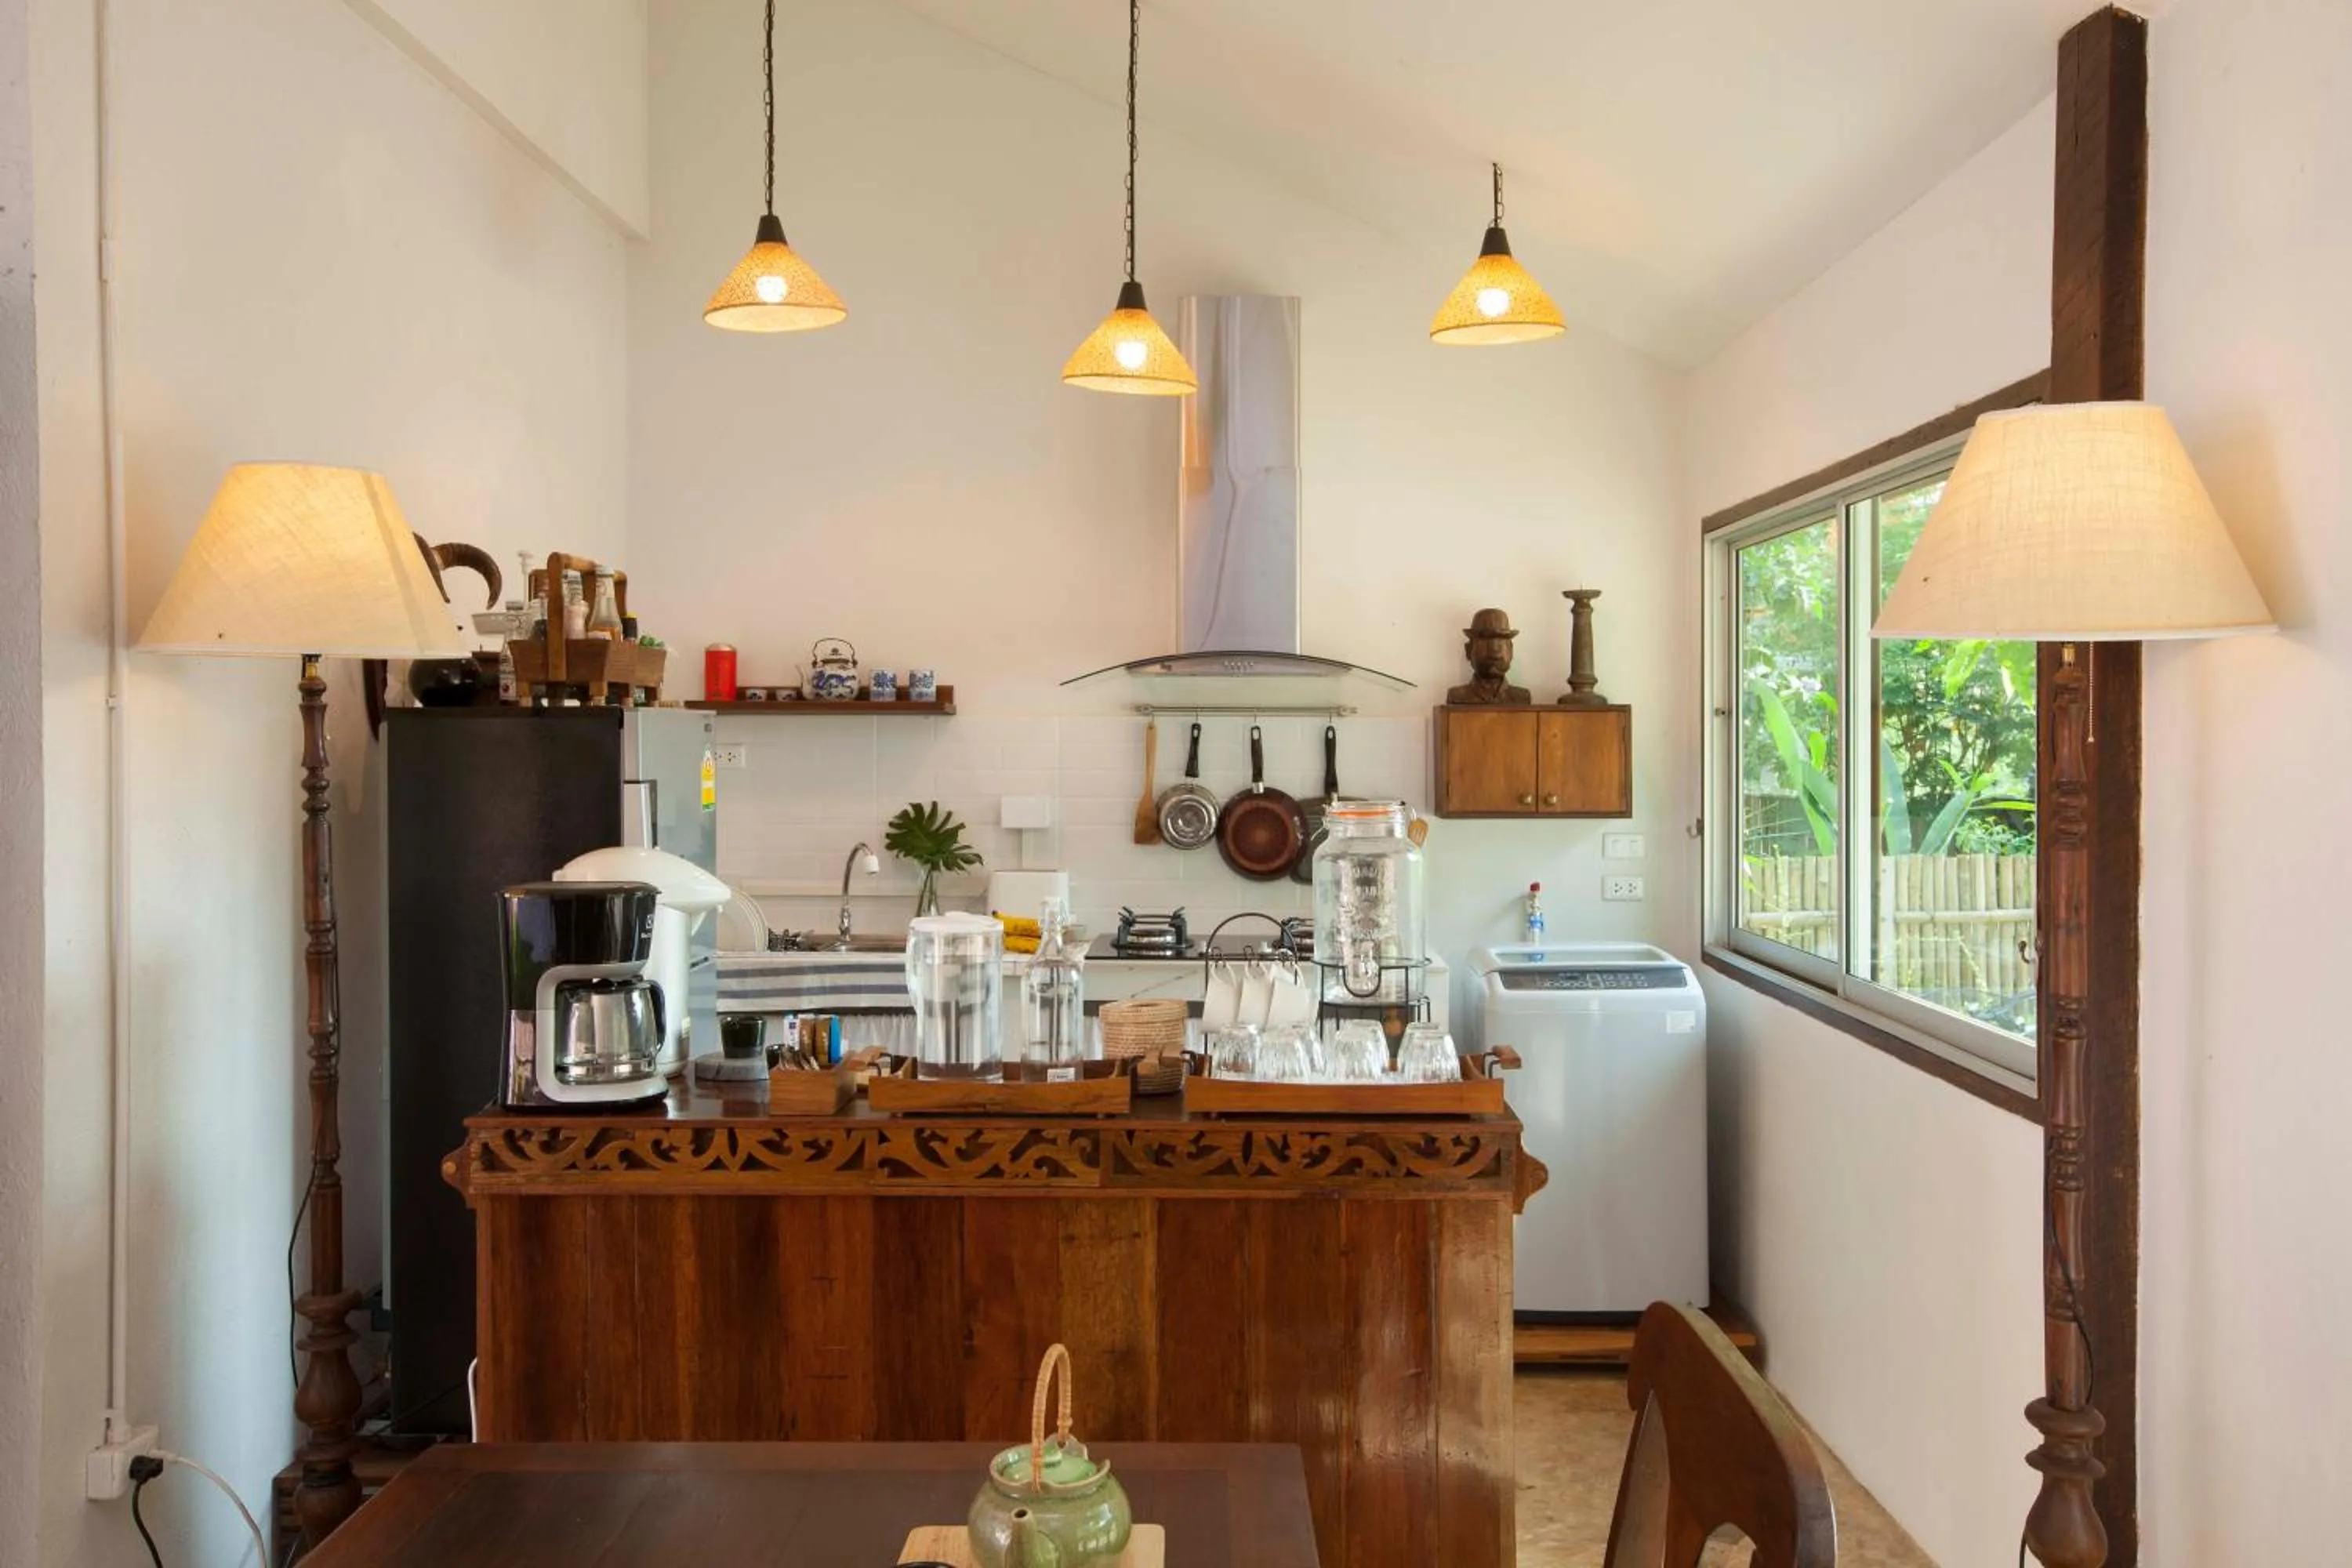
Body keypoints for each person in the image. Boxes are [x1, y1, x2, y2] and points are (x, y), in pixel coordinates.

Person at [1446, 608, 1531, 705]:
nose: (1494, 649)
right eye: (1485, 639)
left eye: (1501, 640)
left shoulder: (1522, 697)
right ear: (1469, 650)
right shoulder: (1457, 697)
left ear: (1511, 651)